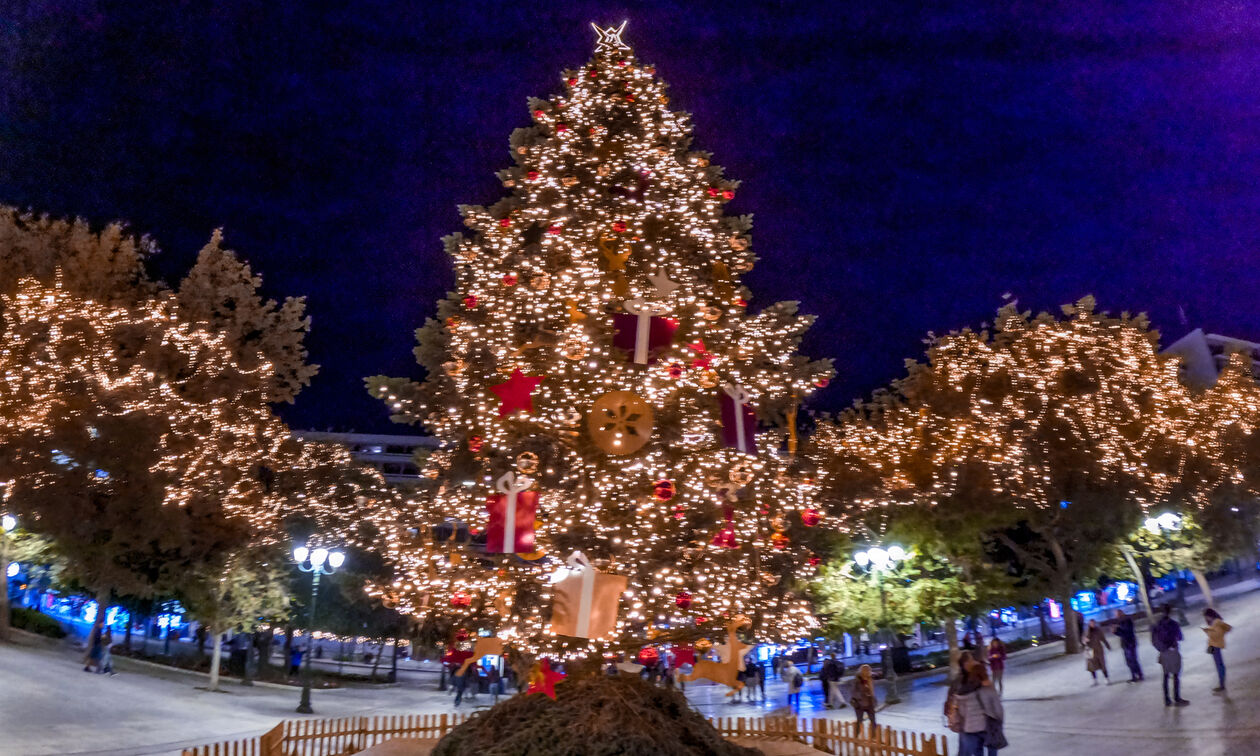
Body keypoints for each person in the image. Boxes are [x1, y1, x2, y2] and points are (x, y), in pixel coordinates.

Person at [953, 658, 1005, 756]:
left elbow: (961, 712)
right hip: (987, 727)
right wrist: (999, 723)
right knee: (992, 750)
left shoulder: (963, 692)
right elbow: (998, 710)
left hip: (970, 728)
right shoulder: (988, 689)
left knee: (978, 752)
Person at [1152, 604, 1189, 706]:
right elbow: (1180, 637)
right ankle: (1176, 697)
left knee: (1165, 676)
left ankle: (1167, 699)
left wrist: (1162, 648)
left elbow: (1153, 640)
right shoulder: (1174, 624)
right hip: (1173, 651)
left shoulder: (1156, 625)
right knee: (1176, 675)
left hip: (1163, 653)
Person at [1202, 608, 1232, 693]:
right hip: (1213, 645)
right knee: (1218, 664)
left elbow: (1216, 635)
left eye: (1206, 617)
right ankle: (1221, 683)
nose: (1206, 619)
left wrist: (1208, 632)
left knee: (1219, 665)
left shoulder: (1217, 623)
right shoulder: (1216, 622)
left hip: (1215, 645)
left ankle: (1222, 684)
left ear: (1210, 616)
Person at [1111, 610, 1143, 682]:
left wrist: (1116, 630)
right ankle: (1135, 675)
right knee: (1129, 661)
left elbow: (1126, 633)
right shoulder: (1122, 621)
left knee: (1132, 660)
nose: (1116, 616)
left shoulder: (1126, 621)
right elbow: (1123, 633)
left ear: (1120, 614)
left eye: (1116, 614)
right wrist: (1116, 631)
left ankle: (1138, 675)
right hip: (1126, 644)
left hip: (1129, 643)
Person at [849, 664, 877, 736]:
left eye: (868, 670)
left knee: (873, 721)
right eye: (865, 670)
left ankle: (874, 736)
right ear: (861, 672)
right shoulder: (856, 681)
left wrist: (873, 699)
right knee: (859, 721)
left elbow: (872, 692)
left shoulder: (870, 680)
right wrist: (861, 696)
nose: (867, 672)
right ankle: (856, 735)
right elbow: (853, 692)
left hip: (869, 703)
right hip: (859, 704)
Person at [1084, 619, 1110, 684]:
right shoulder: (1087, 631)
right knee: (1092, 665)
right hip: (1090, 650)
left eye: (1093, 623)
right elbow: (1084, 641)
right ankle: (1094, 680)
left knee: (1102, 664)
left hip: (1098, 649)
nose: (1092, 625)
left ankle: (1106, 678)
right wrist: (1085, 641)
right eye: (1091, 623)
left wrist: (1107, 645)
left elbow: (1103, 639)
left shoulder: (1098, 630)